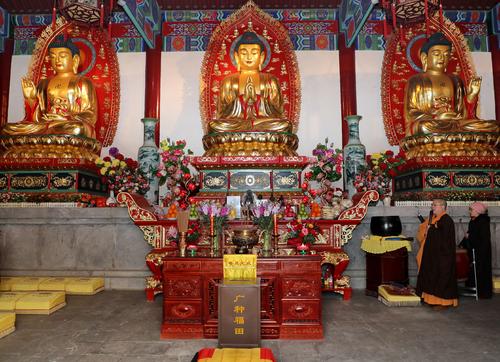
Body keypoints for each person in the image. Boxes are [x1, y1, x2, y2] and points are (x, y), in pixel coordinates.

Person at [1, 36, 98, 138]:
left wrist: (65, 118)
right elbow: (37, 117)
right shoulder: (44, 83)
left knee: (78, 129)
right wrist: (31, 98)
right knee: (8, 129)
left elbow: (90, 114)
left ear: (75, 59)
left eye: (63, 55)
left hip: (67, 125)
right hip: (45, 125)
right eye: (53, 56)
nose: (57, 60)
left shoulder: (83, 82)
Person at [404, 32, 499, 136]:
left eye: (446, 54)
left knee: (493, 126)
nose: (442, 58)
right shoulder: (416, 80)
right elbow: (411, 113)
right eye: (436, 54)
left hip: (455, 123)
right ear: (424, 58)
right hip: (433, 124)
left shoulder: (455, 80)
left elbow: (464, 114)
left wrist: (471, 95)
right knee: (423, 127)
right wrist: (437, 117)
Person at [207, 31, 291, 133]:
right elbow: (222, 114)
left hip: (263, 123)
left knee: (284, 125)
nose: (249, 57)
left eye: (254, 52)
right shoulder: (228, 81)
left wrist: (258, 101)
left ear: (262, 57)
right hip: (236, 124)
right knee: (214, 126)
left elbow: (278, 112)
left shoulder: (270, 80)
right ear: (237, 57)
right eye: (244, 53)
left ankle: (252, 127)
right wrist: (241, 100)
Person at [416, 199, 458, 310]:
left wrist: (431, 230)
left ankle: (444, 303)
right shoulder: (433, 218)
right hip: (433, 255)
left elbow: (444, 238)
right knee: (431, 277)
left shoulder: (446, 220)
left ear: (443, 207)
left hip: (443, 256)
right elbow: (425, 232)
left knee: (442, 278)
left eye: (435, 205)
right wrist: (428, 229)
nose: (433, 207)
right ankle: (430, 299)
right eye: (432, 205)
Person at [460, 202, 492, 299]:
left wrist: (470, 236)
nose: (470, 211)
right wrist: (462, 244)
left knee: (481, 270)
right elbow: (469, 234)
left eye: (471, 209)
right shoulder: (473, 221)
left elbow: (483, 239)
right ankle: (473, 288)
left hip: (482, 252)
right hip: (474, 250)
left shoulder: (483, 222)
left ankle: (482, 292)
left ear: (478, 211)